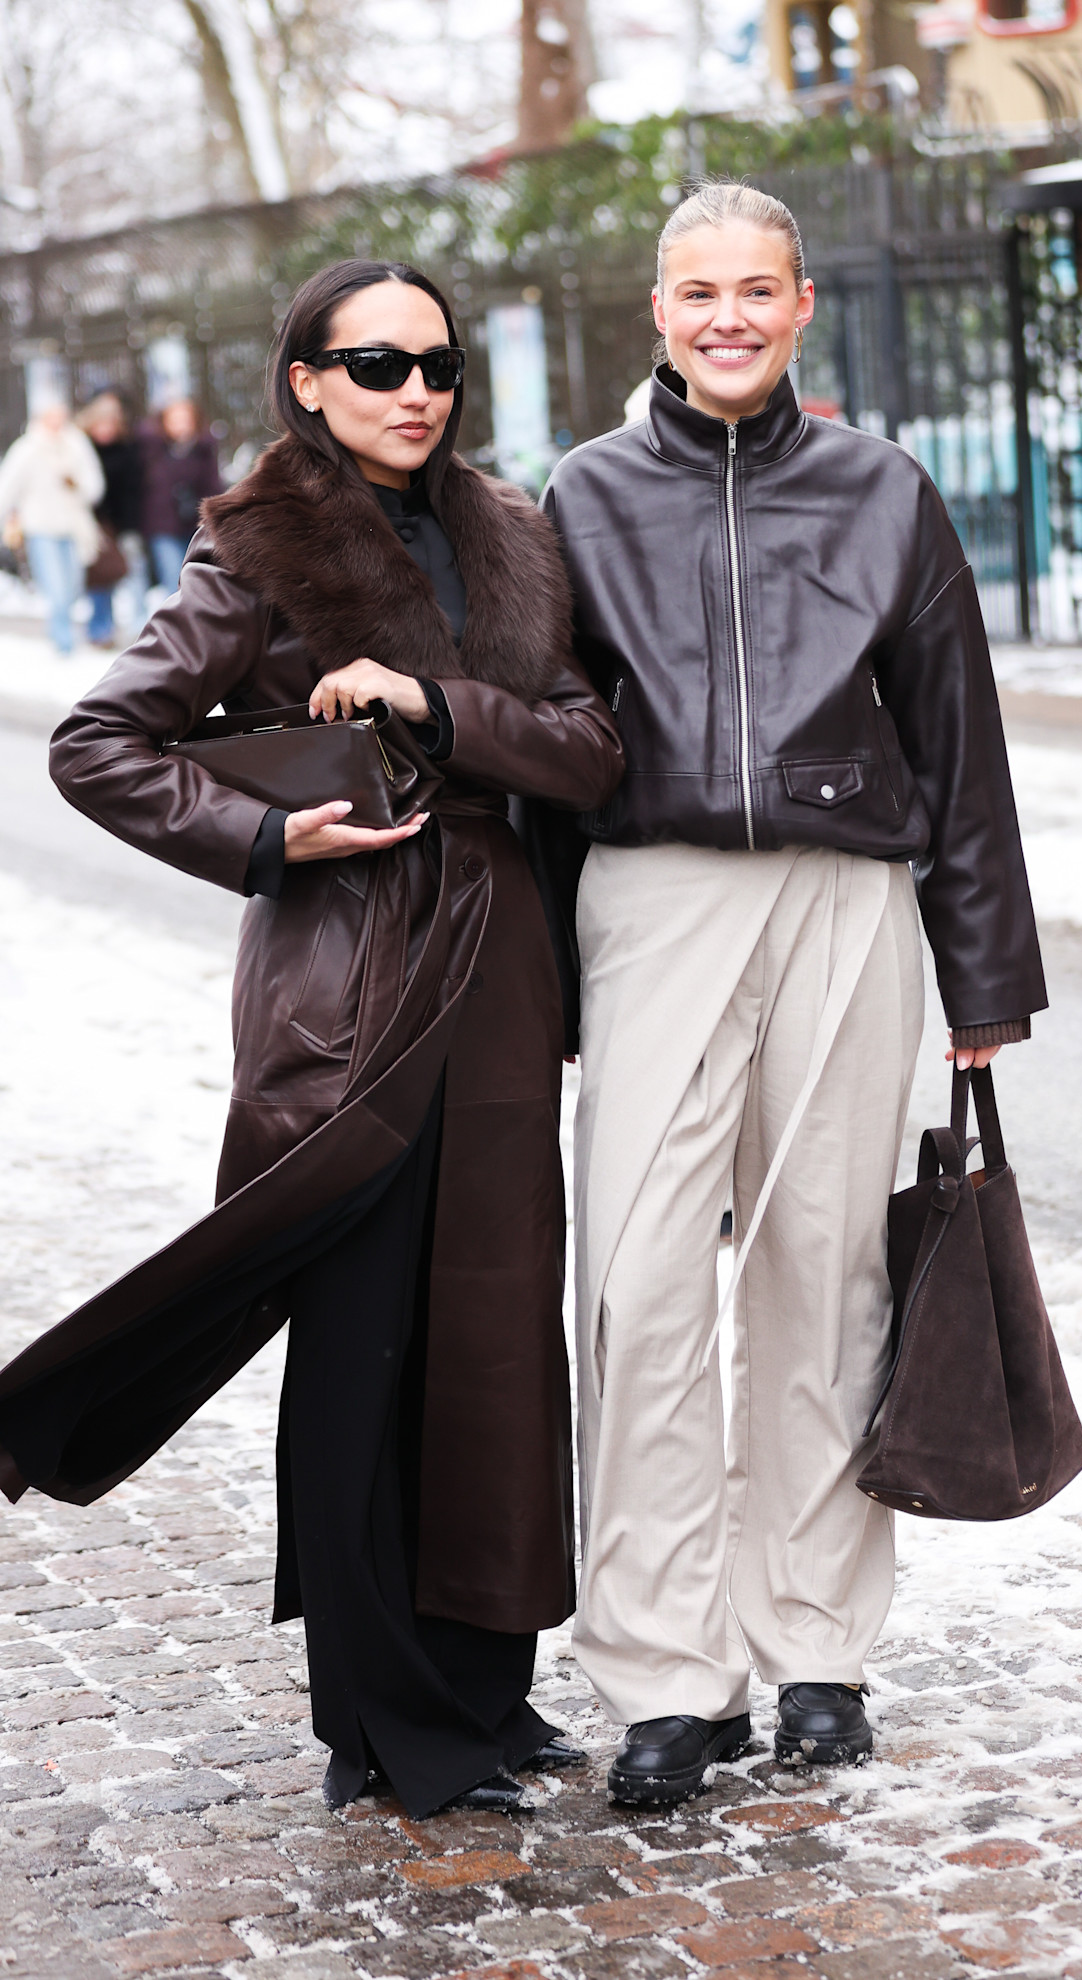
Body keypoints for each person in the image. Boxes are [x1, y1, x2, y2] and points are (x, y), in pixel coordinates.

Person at [0, 258, 623, 1817]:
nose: (415, 390)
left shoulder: (513, 532)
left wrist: (433, 702)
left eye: (437, 365)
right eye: (377, 363)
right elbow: (100, 743)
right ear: (308, 380)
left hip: (502, 966)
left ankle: (488, 1687)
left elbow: (595, 749)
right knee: (364, 1344)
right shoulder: (260, 542)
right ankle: (380, 1715)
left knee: (493, 1336)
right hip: (352, 972)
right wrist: (270, 844)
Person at [541, 182, 1047, 1805]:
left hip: (846, 904)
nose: (728, 318)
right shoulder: (584, 496)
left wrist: (983, 974)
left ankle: (817, 1651)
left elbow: (960, 742)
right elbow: (544, 752)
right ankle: (665, 1676)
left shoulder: (886, 492)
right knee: (635, 1290)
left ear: (803, 303)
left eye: (756, 289)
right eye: (699, 291)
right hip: (653, 904)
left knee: (825, 1280)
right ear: (658, 308)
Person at [0, 398, 103, 655]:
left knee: (73, 587)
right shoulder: (27, 449)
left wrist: (76, 483)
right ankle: (64, 643)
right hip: (41, 527)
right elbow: (8, 488)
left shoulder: (77, 444)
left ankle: (65, 636)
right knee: (56, 587)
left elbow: (94, 485)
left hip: (74, 528)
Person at [79, 392, 147, 646]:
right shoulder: (83, 448)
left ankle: (140, 626)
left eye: (110, 423)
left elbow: (133, 489)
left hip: (125, 522)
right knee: (100, 578)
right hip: (96, 523)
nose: (105, 429)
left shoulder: (128, 448)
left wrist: (130, 525)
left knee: (134, 571)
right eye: (100, 424)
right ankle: (100, 629)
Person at [140, 396, 223, 596]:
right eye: (174, 419)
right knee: (172, 576)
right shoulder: (152, 450)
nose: (180, 425)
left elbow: (213, 487)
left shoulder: (204, 450)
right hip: (162, 525)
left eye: (185, 419)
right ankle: (175, 624)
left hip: (195, 523)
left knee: (198, 577)